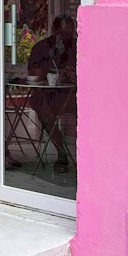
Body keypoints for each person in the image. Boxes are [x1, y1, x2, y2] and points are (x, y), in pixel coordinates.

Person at [27, 12, 77, 174]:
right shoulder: (42, 47)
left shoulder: (79, 46)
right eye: (63, 33)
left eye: (70, 33)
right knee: (41, 105)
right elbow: (34, 73)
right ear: (54, 30)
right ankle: (61, 152)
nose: (67, 37)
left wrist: (76, 74)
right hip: (48, 95)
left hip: (75, 95)